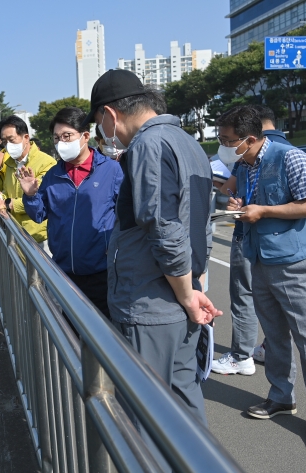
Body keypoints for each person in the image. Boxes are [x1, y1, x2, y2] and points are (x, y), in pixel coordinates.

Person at [84, 69, 222, 428]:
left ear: (109, 115)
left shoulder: (148, 144)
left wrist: (187, 293)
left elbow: (163, 226)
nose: (100, 131)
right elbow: (201, 222)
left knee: (147, 414)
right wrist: (192, 286)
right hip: (179, 296)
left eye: (98, 121)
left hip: (150, 303)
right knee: (185, 405)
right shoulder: (187, 141)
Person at [218, 105, 306, 454]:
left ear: (250, 138)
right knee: (274, 337)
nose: (225, 147)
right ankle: (281, 397)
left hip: (296, 264)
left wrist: (263, 211)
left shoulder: (292, 158)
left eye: (228, 141)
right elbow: (242, 198)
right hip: (259, 260)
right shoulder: (244, 165)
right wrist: (239, 203)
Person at [18, 107, 123, 318]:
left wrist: (115, 248)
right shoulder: (53, 175)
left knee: (104, 334)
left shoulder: (111, 171)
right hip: (64, 273)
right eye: (57, 138)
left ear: (85, 136)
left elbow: (127, 215)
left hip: (101, 273)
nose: (61, 143)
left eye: (67, 136)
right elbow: (39, 214)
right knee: (71, 333)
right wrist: (30, 195)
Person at [211, 105, 290, 374]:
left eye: (228, 140)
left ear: (252, 133)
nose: (225, 146)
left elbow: (225, 185)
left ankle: (241, 355)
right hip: (278, 246)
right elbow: (234, 191)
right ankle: (268, 353)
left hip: (253, 239)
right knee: (274, 304)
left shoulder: (268, 155)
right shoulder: (257, 158)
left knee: (245, 293)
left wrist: (251, 207)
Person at [0, 116, 56, 249]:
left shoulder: (47, 163)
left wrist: (8, 204)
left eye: (11, 140)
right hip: (18, 235)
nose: (8, 146)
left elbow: (41, 199)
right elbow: (8, 191)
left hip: (41, 238)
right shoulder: (10, 164)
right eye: (5, 142)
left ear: (26, 138)